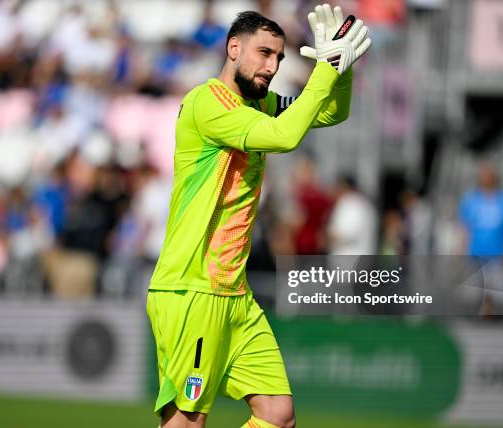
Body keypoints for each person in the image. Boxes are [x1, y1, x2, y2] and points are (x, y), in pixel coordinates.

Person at [146, 5, 370, 428]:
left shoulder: (261, 104)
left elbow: (330, 112)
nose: (272, 66)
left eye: (280, 58)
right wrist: (324, 67)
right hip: (192, 290)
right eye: (264, 53)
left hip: (234, 293)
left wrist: (340, 69)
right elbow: (284, 137)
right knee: (187, 423)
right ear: (233, 48)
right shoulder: (206, 103)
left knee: (278, 415)